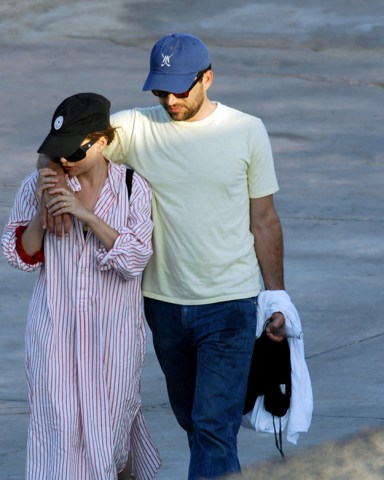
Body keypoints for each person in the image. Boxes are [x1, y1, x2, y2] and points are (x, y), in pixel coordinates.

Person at [40, 34, 287, 479]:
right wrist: (50, 183)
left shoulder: (247, 130)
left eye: (180, 89)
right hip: (162, 305)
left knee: (214, 426)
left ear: (207, 78)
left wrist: (278, 297)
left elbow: (265, 219)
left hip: (229, 302)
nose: (170, 100)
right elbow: (61, 146)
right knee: (194, 422)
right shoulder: (135, 127)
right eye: (160, 91)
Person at [2, 93, 161, 480]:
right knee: (58, 437)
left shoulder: (131, 187)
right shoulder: (39, 185)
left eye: (74, 150)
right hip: (55, 335)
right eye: (59, 151)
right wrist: (44, 213)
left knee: (112, 437)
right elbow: (18, 254)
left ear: (101, 140)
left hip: (113, 340)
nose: (65, 160)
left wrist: (85, 215)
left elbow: (135, 258)